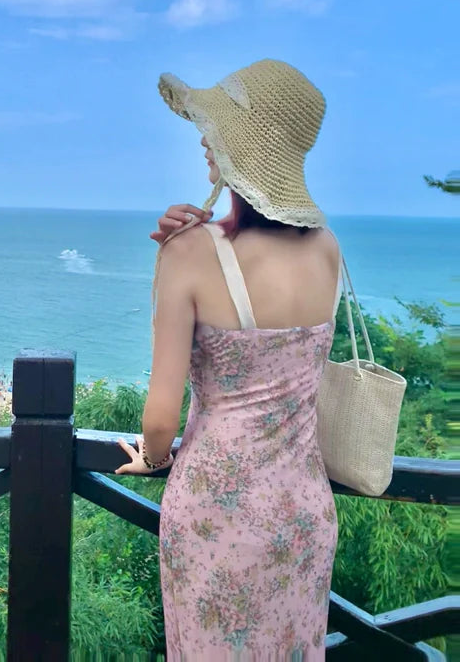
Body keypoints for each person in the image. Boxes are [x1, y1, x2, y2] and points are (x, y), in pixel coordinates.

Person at [116, 59, 341, 660]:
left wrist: (152, 459)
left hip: (217, 515)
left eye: (214, 128)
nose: (202, 139)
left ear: (244, 148)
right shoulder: (327, 247)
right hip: (303, 514)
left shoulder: (190, 252)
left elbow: (159, 419)